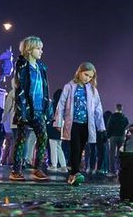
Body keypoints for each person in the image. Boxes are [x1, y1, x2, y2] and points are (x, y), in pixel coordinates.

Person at [54, 61, 106, 185]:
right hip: (73, 123)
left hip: (86, 125)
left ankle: (73, 174)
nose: (87, 78)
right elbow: (60, 105)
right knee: (75, 148)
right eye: (86, 75)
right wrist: (58, 122)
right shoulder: (69, 86)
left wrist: (101, 127)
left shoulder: (93, 90)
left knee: (81, 147)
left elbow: (98, 109)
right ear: (79, 72)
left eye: (90, 76)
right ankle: (75, 173)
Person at [9, 36, 50, 181]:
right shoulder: (22, 66)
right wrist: (22, 109)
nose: (41, 51)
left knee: (43, 137)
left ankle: (37, 169)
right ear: (29, 49)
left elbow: (45, 89)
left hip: (39, 109)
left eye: (41, 48)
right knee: (21, 139)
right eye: (38, 48)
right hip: (26, 109)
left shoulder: (41, 68)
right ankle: (16, 170)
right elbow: (20, 89)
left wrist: (46, 109)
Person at [105, 102, 129, 177]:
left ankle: (112, 171)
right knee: (120, 154)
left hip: (113, 136)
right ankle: (120, 169)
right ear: (122, 109)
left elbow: (109, 126)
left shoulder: (112, 117)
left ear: (116, 108)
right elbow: (127, 124)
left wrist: (108, 136)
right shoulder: (124, 117)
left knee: (112, 154)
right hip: (121, 136)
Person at [48, 87, 67, 172]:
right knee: (59, 147)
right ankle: (63, 166)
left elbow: (55, 116)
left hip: (54, 127)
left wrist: (57, 126)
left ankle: (54, 165)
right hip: (61, 129)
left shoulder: (55, 105)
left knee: (53, 147)